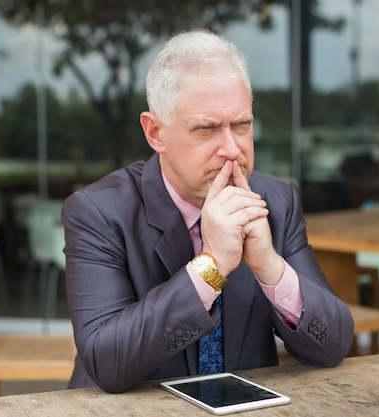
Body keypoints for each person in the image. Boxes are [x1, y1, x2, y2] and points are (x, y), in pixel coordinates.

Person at [62, 30, 355, 393]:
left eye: (242, 125)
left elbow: (334, 344)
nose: (232, 149)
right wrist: (211, 266)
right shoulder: (98, 211)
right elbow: (106, 361)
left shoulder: (276, 200)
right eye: (206, 128)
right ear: (156, 133)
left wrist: (270, 267)